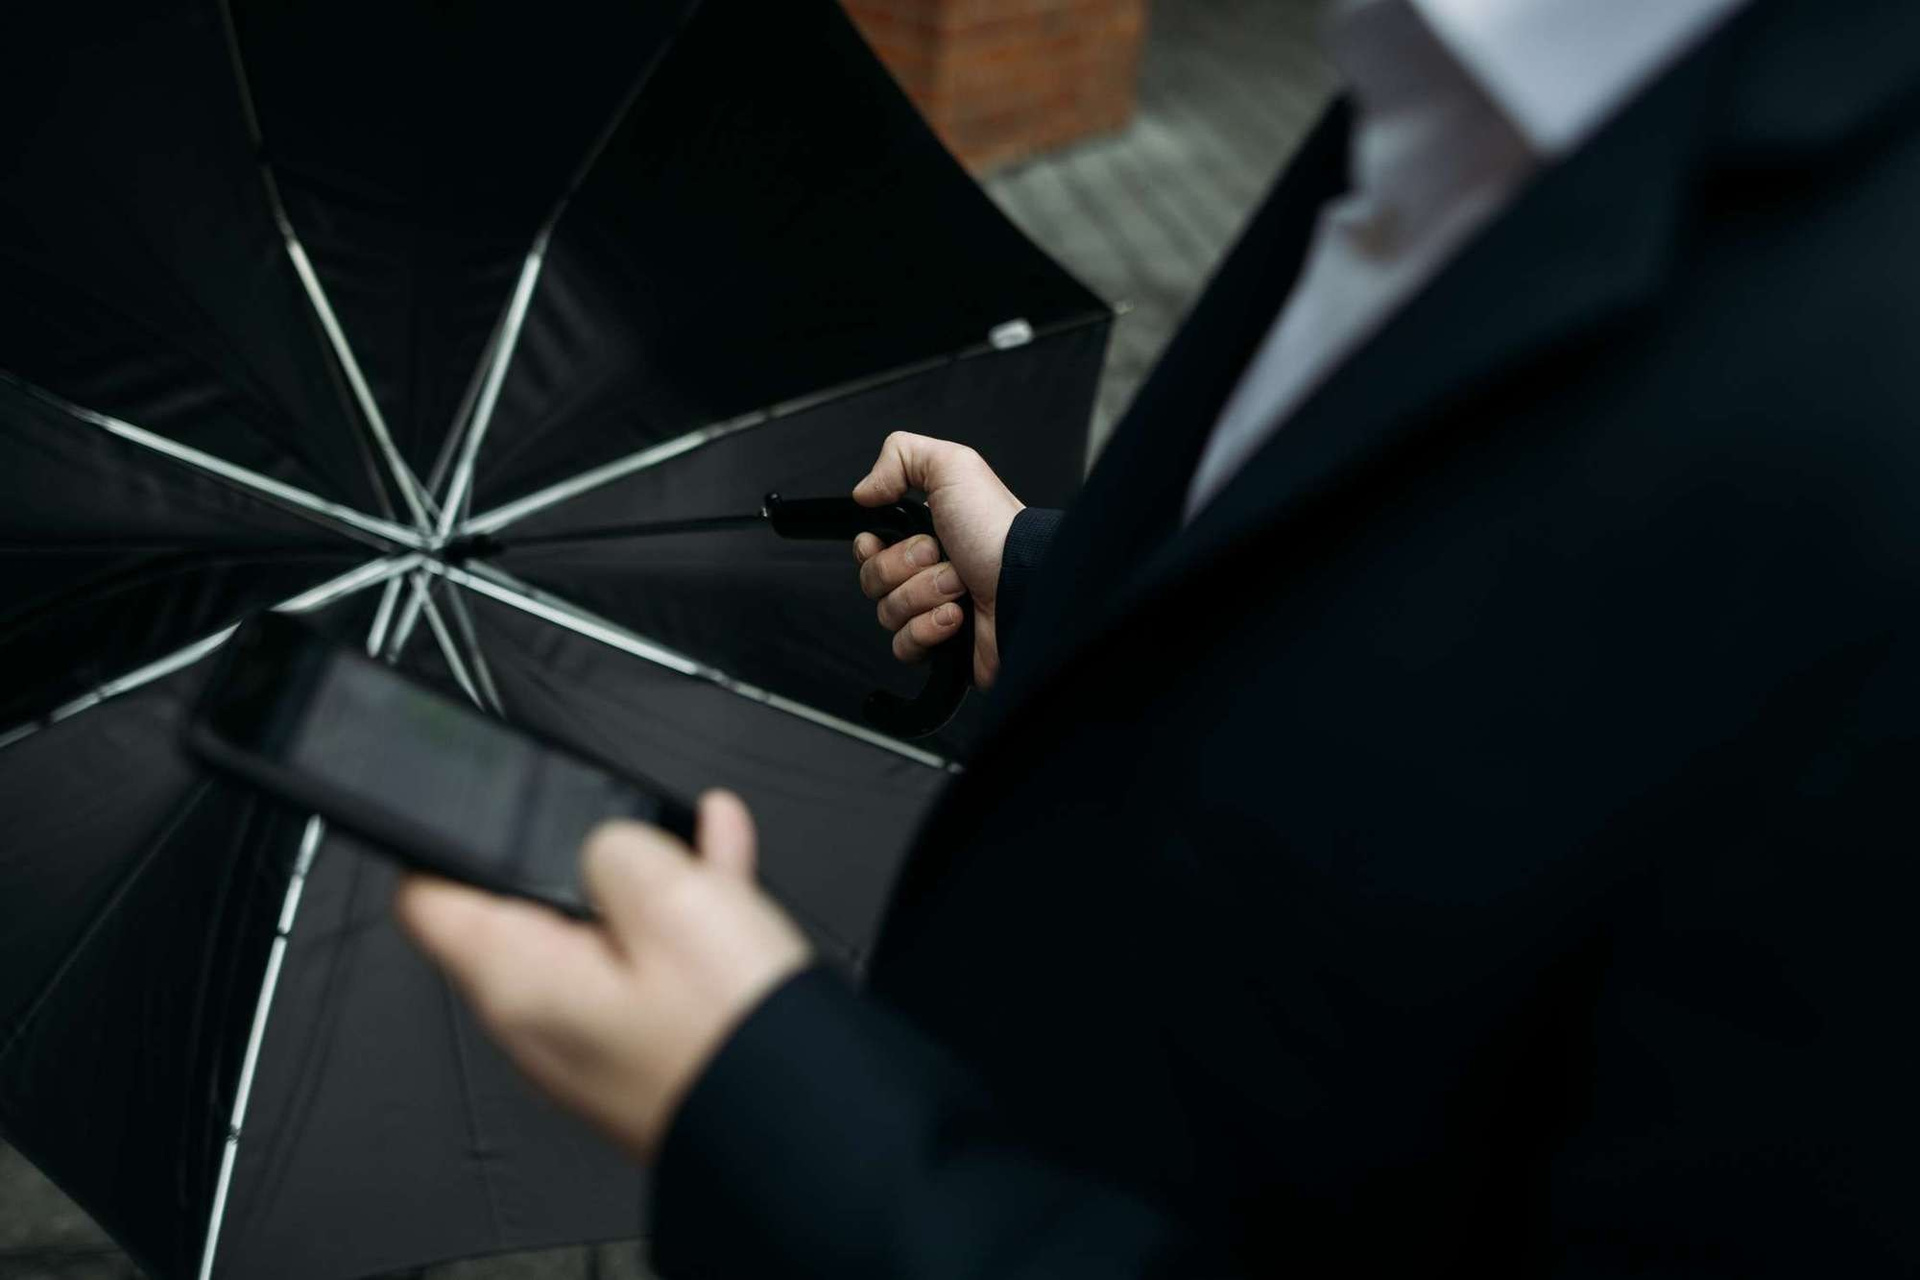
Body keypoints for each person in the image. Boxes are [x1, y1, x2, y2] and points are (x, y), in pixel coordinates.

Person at [398, 0, 1920, 1273]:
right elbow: (1432, 643)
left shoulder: (1863, 410)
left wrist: (770, 1111)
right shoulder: (1452, 78)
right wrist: (1048, 576)